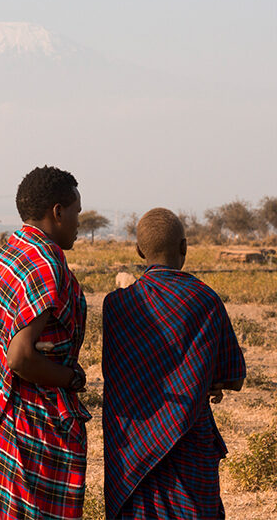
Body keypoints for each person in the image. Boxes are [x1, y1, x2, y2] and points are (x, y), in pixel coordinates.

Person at [0, 165, 90, 520]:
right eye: (76, 211)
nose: (78, 221)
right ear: (58, 211)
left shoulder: (11, 253)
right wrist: (71, 378)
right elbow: (20, 357)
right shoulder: (45, 263)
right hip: (25, 424)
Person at [102, 208, 246, 520]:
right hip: (190, 443)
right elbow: (233, 377)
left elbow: (116, 375)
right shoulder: (204, 299)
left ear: (140, 251)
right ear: (184, 247)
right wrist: (207, 381)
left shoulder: (117, 305)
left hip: (133, 447)